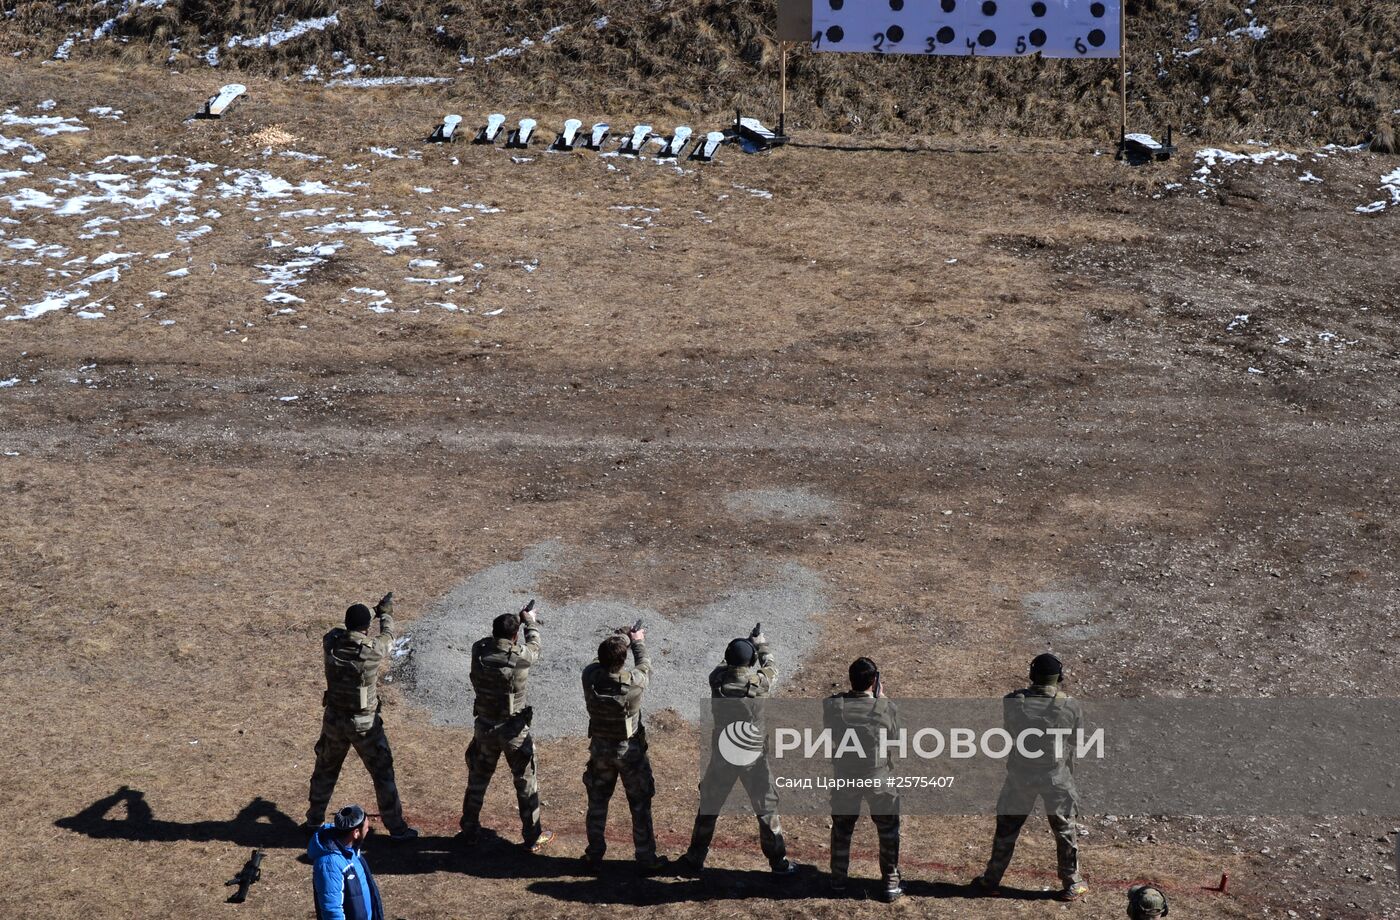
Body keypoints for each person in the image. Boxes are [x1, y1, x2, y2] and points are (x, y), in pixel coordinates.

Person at [676, 628, 797, 876]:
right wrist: (759, 644)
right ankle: (778, 862)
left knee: (709, 806)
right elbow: (771, 664)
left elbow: (725, 665)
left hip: (724, 754)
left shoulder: (716, 680)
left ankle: (694, 857)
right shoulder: (759, 684)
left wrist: (739, 649)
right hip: (753, 756)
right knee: (765, 808)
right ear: (750, 662)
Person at [971, 653, 1087, 901]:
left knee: (1007, 829)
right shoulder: (1070, 706)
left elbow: (1009, 732)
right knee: (1065, 831)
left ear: (1033, 675)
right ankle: (1072, 882)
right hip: (1056, 778)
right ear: (1059, 677)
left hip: (1020, 776)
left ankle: (991, 880)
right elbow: (1076, 742)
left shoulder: (1013, 701)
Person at [305, 593, 417, 840]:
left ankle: (314, 819)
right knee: (382, 774)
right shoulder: (371, 650)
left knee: (325, 769)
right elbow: (388, 638)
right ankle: (396, 828)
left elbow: (337, 631)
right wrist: (385, 614)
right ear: (366, 628)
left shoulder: (331, 642)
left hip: (334, 720)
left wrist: (361, 621)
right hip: (365, 725)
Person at [459, 602, 554, 852]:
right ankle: (532, 835)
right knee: (525, 783)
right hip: (513, 731)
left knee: (477, 779)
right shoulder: (521, 657)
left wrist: (513, 626)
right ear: (514, 636)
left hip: (485, 727)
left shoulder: (478, 651)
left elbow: (495, 644)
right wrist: (528, 622)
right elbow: (535, 646)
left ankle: (469, 827)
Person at [580, 623, 666, 873]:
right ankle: (646, 857)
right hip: (630, 753)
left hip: (600, 750)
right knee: (639, 805)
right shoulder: (634, 683)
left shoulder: (590, 677)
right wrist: (636, 641)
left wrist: (617, 648)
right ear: (622, 660)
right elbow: (645, 664)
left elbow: (600, 664)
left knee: (597, 802)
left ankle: (594, 853)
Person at [824, 657, 902, 902]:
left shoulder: (833, 706)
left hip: (846, 777)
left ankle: (837, 880)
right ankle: (890, 881)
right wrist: (882, 699)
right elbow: (895, 739)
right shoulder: (885, 707)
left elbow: (830, 731)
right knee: (888, 829)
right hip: (877, 777)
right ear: (875, 681)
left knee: (842, 828)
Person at [309, 804, 386, 920]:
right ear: (355, 833)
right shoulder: (329, 864)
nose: (368, 829)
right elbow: (332, 911)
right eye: (366, 827)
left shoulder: (351, 849)